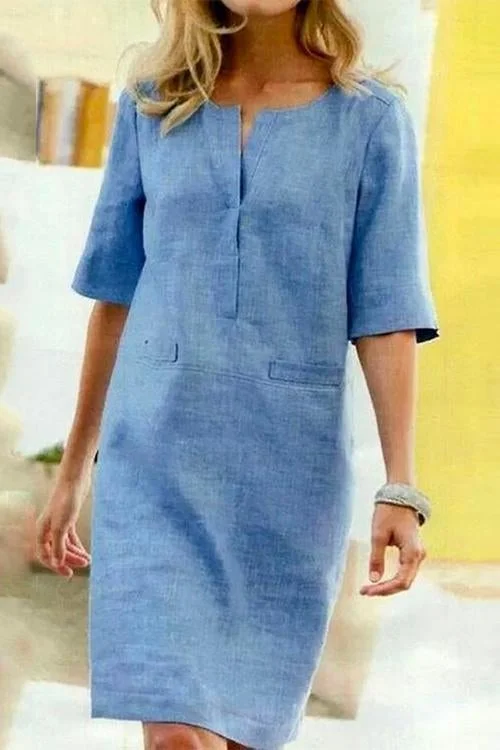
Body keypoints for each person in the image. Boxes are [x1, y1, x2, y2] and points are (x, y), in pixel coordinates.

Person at [35, 1, 440, 749]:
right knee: (177, 736)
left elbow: (387, 314)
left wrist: (400, 485)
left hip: (287, 476)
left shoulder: (371, 121)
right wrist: (73, 472)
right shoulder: (152, 107)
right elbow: (114, 299)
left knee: (243, 736)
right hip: (153, 463)